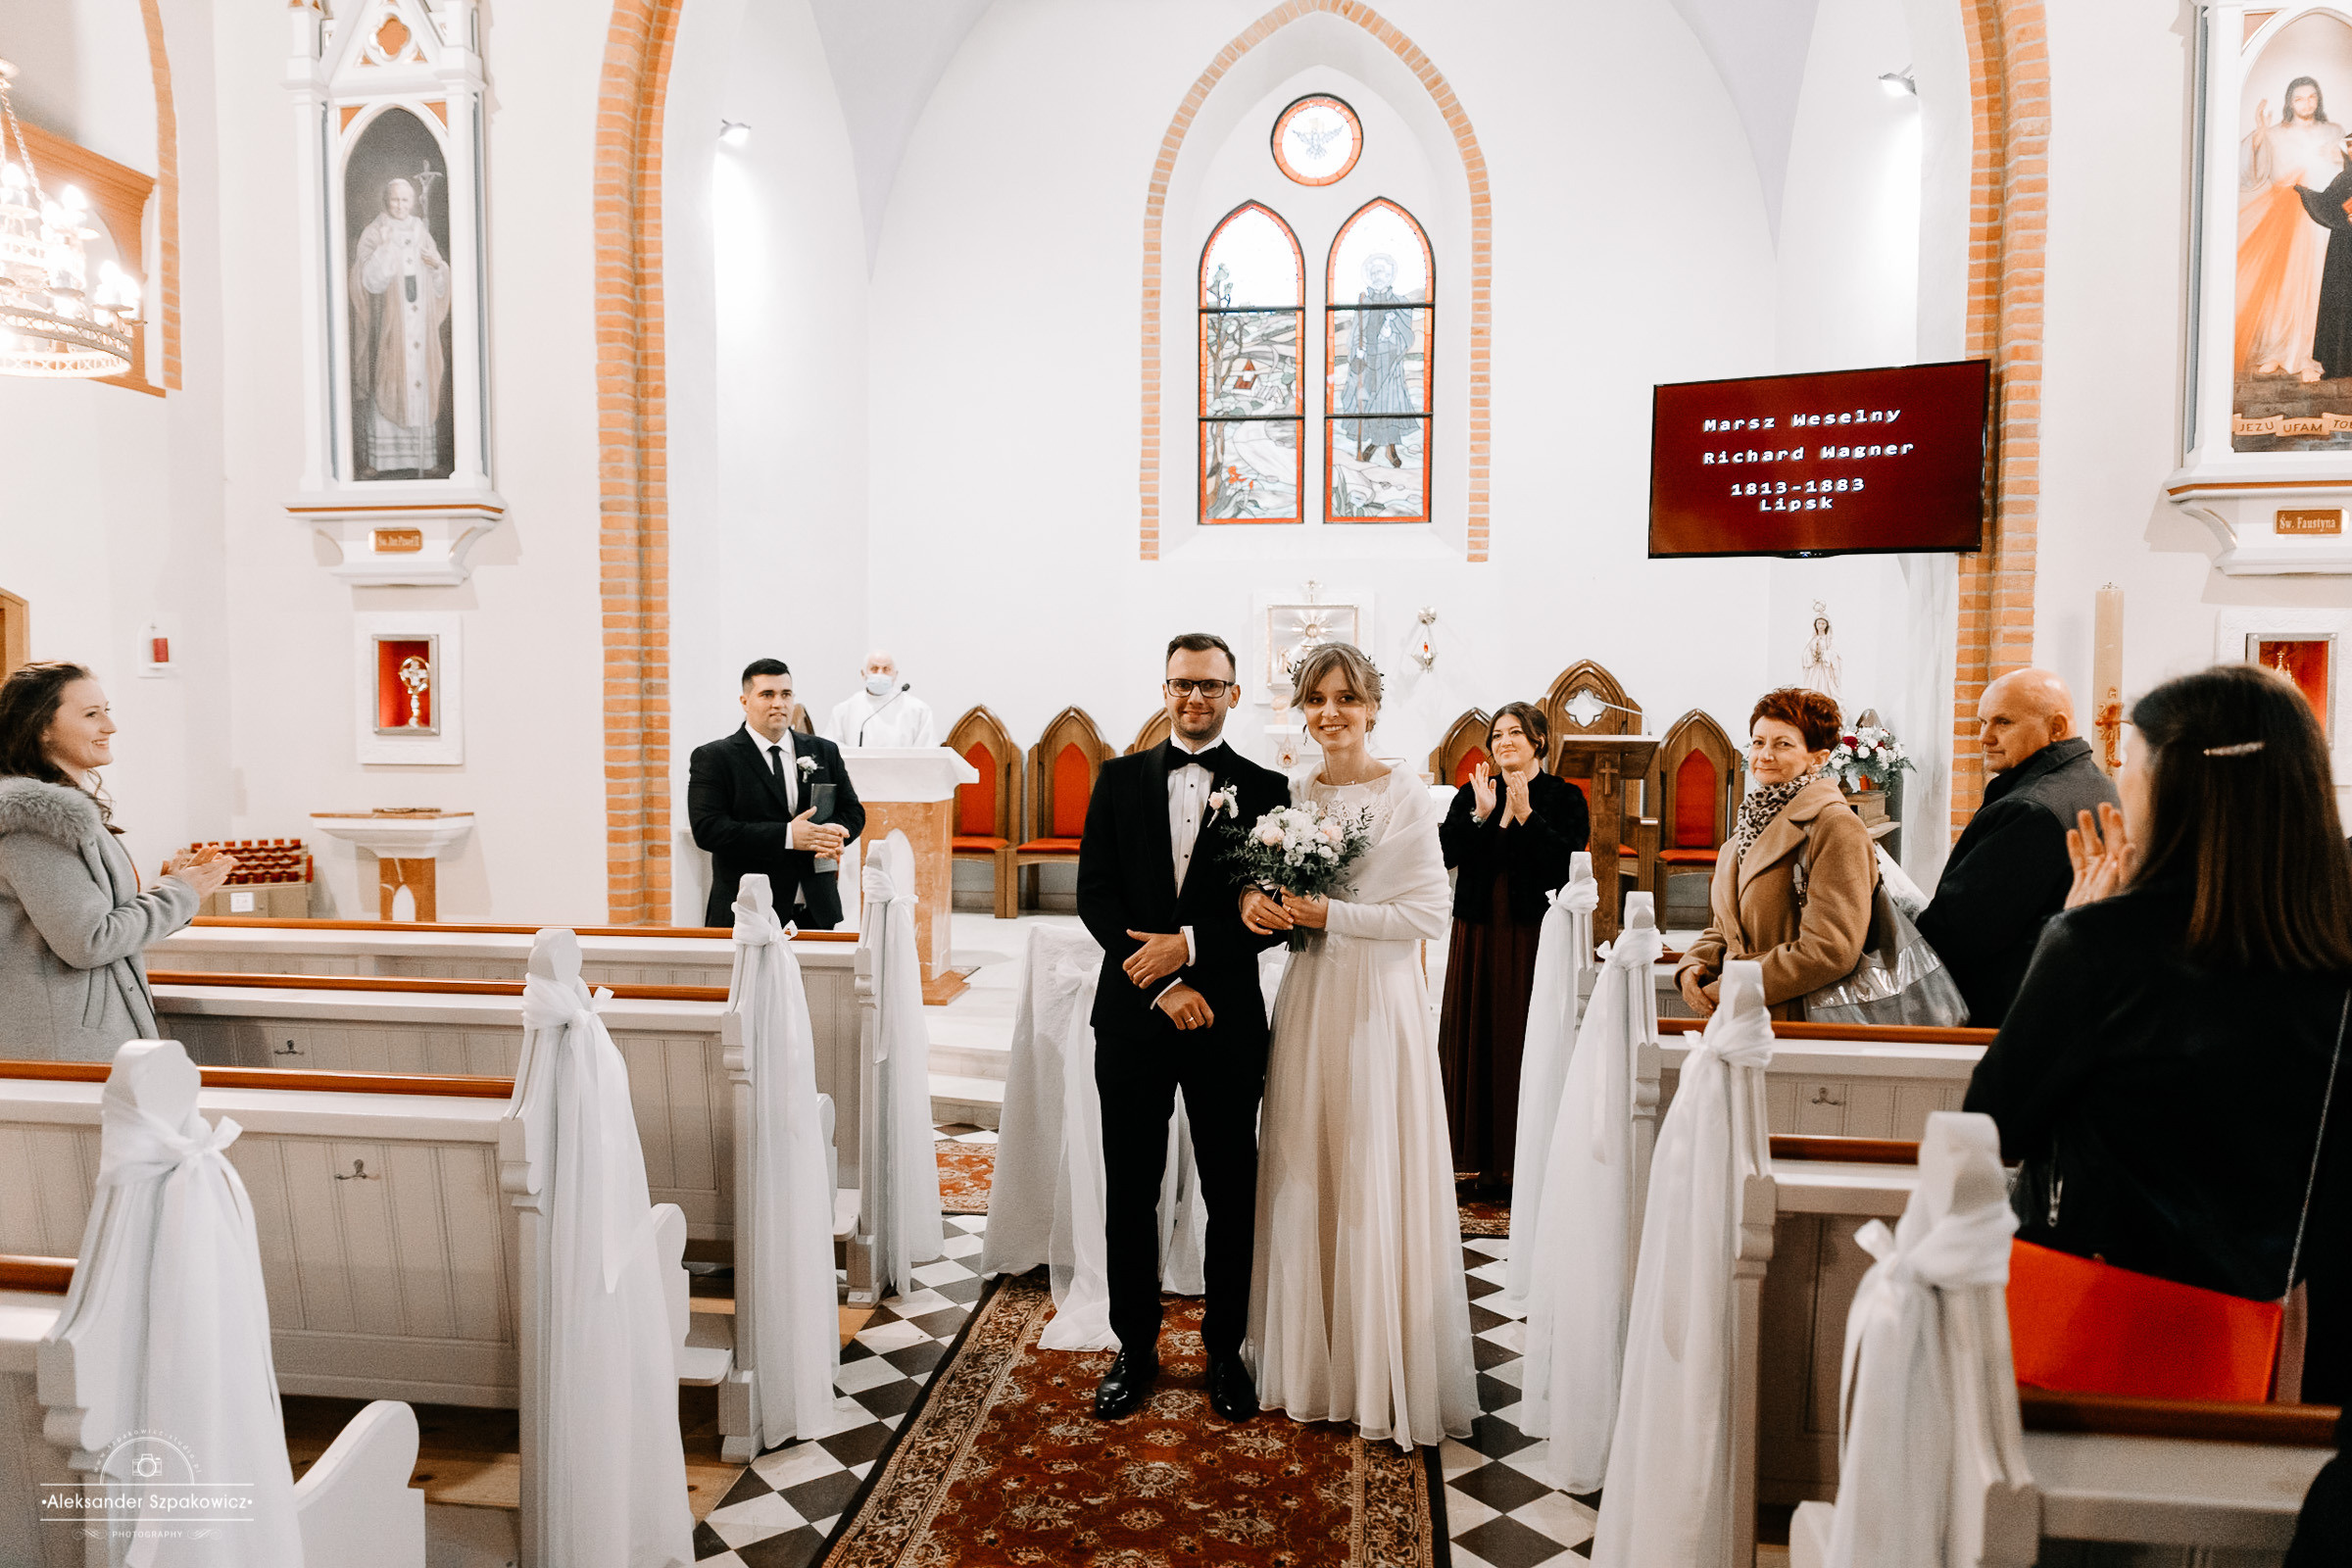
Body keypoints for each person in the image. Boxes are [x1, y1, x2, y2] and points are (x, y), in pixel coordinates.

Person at [1964, 663, 2352, 1408]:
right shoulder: (2331, 947)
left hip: (2104, 1323)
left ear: (2177, 787)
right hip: (2286, 1344)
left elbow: (1993, 1124)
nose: (2118, 786)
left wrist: (2072, 925)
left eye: (2131, 766)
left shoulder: (2105, 945)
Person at [1244, 641, 1478, 1447]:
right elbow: (1278, 891)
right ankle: (1310, 1360)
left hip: (1377, 1002)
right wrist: (1272, 909)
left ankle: (1377, 1365)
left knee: (1370, 1159)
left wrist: (1326, 915)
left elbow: (1424, 917)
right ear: (1301, 710)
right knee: (1312, 1157)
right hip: (1310, 996)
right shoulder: (1296, 790)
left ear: (1372, 706)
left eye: (1345, 698)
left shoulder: (1406, 793)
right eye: (1316, 700)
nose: (1331, 713)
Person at [1075, 632, 1290, 1423]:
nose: (1193, 698)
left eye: (1209, 685)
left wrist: (1194, 948)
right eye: (1180, 684)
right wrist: (1164, 982)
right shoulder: (1118, 779)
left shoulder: (1269, 790)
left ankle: (1225, 1352)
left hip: (1227, 1017)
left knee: (1233, 1189)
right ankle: (1135, 1347)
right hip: (1134, 1014)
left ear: (1234, 692)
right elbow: (1095, 896)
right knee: (1130, 1187)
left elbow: (1272, 917)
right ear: (1165, 690)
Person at [0, 662, 235, 1061]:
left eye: (107, 711)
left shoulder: (60, 813)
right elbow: (89, 941)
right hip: (63, 1047)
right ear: (41, 727)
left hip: (80, 1035)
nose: (110, 726)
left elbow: (92, 920)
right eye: (92, 714)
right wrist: (180, 893)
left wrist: (174, 887)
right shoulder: (34, 821)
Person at [1435, 701, 1589, 1192]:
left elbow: (1563, 866)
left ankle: (1526, 1156)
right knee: (1478, 1034)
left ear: (1538, 741)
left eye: (1515, 733)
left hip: (1530, 930)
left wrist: (1525, 816)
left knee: (1522, 1033)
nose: (1504, 742)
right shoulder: (1472, 793)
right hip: (1478, 927)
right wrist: (1483, 816)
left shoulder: (1564, 797)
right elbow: (1448, 856)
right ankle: (1477, 1159)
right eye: (1497, 735)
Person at [1916, 668, 2120, 1026]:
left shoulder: (2029, 809)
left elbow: (1957, 935)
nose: (1984, 737)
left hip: (2011, 1009)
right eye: (1982, 722)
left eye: (2003, 722)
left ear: (2056, 727)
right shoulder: (2091, 781)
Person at [1675, 687, 1874, 1019]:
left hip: (1793, 1016)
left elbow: (1831, 949)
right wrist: (1695, 963)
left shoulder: (1834, 826)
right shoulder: (1752, 821)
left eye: (1783, 744)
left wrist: (1735, 984)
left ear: (1818, 758)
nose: (1764, 755)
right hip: (1738, 1010)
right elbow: (1729, 926)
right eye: (1757, 742)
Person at [688, 660, 865, 928]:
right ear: (745, 701)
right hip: (749, 909)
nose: (778, 703)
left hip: (816, 907)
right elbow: (709, 830)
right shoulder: (715, 757)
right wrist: (788, 836)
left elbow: (853, 812)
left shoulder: (824, 751)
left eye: (786, 694)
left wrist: (832, 833)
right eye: (767, 694)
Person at [2239, 76, 2345, 381]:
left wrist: (2339, 156)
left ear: (2318, 100)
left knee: (2316, 284)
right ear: (2290, 103)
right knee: (2284, 286)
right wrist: (2260, 130)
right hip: (2286, 216)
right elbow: (2251, 170)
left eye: (2311, 97)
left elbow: (2343, 173)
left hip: (2323, 218)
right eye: (2299, 99)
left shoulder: (2334, 131)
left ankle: (2309, 355)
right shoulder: (2275, 133)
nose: (2306, 104)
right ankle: (2276, 351)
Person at [350, 176, 453, 477]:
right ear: (386, 200)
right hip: (390, 324)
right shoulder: (375, 231)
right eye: (395, 199)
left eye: (406, 200)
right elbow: (368, 281)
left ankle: (424, 457)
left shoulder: (422, 230)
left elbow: (439, 277)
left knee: (420, 380)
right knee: (390, 381)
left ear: (414, 202)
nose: (400, 205)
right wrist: (384, 250)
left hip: (420, 323)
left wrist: (438, 266)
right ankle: (384, 460)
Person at [822, 651, 938, 749]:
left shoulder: (918, 710)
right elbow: (831, 747)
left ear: (895, 675)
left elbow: (928, 751)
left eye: (886, 669)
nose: (880, 673)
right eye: (874, 668)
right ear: (863, 674)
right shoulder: (844, 710)